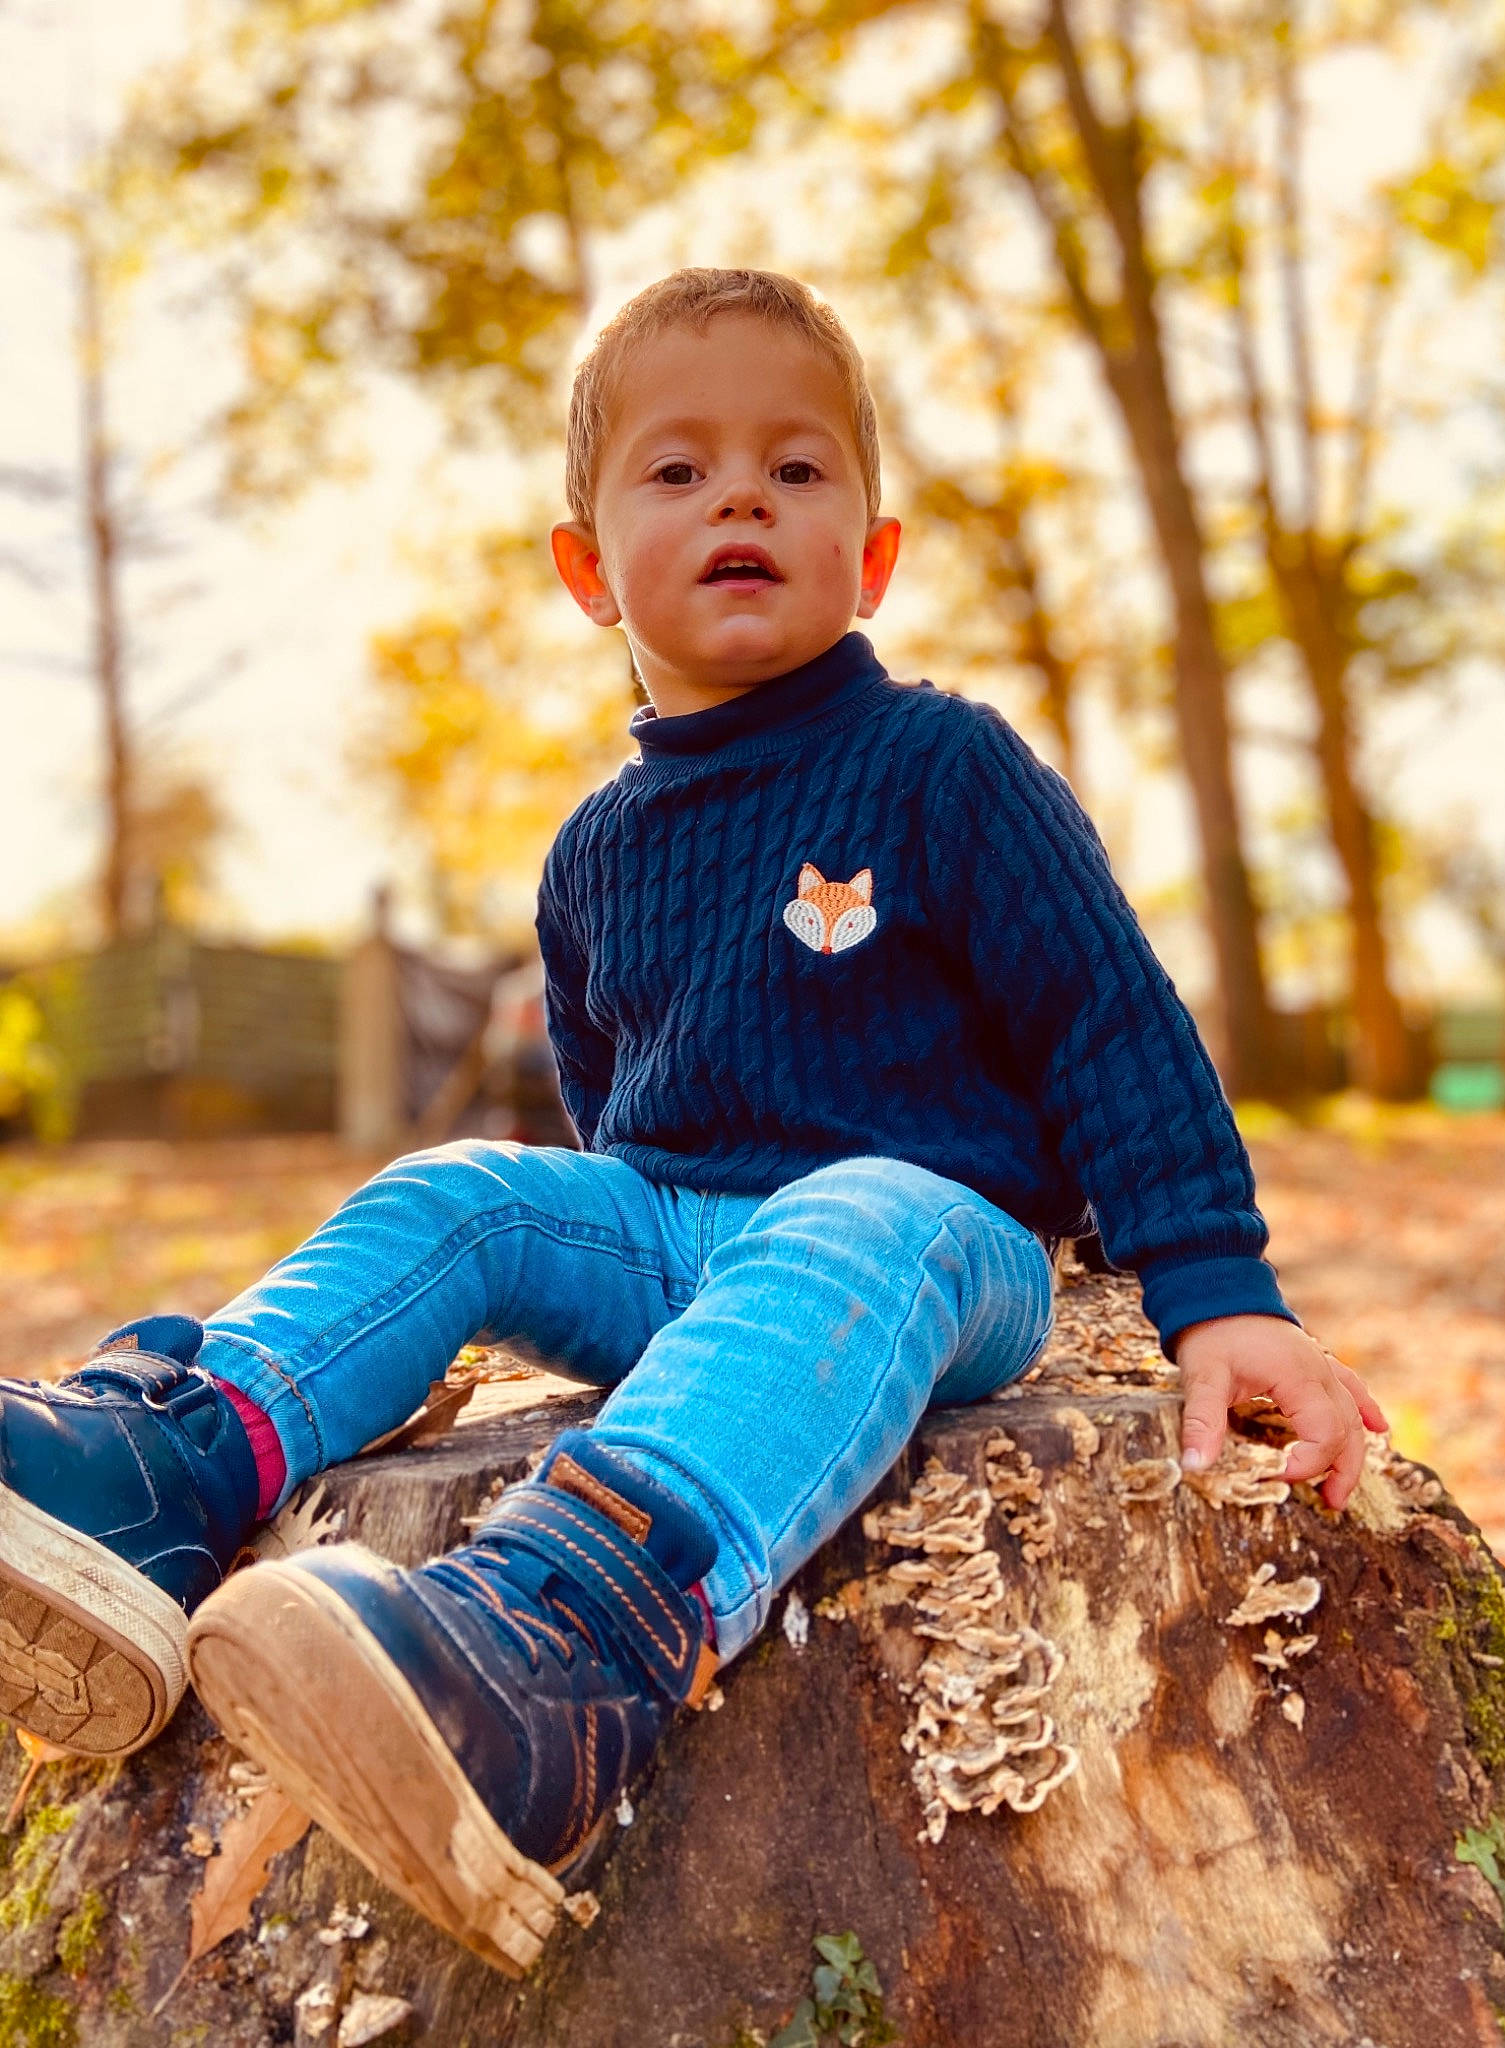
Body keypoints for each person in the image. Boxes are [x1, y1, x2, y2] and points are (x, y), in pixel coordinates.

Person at [0, 267, 1387, 1977]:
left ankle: (563, 1654)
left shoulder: (943, 766)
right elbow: (608, 1088)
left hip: (933, 1240)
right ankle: (184, 1461)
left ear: (872, 553)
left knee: (854, 1208)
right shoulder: (593, 849)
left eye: (798, 471)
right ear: (588, 566)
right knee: (466, 1193)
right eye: (679, 471)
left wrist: (1218, 1286)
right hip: (679, 1228)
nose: (742, 495)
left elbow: (1108, 1020)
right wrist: (601, 1247)